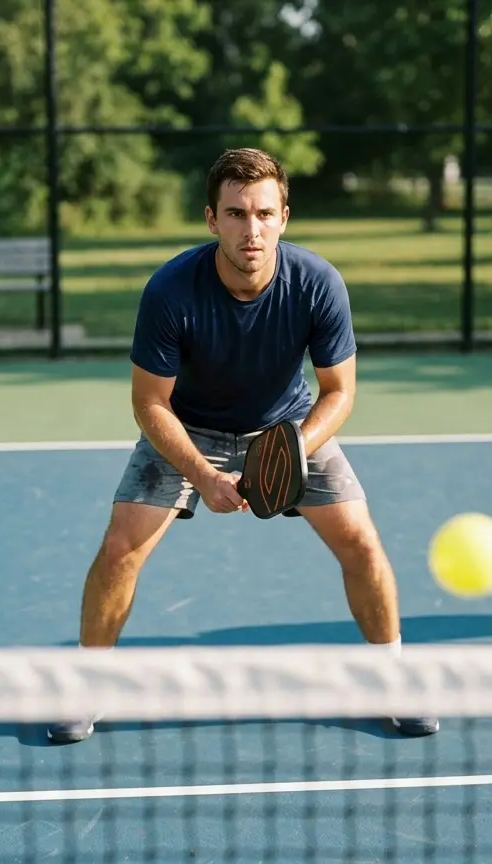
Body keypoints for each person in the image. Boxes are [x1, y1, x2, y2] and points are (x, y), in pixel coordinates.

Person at [48, 147, 439, 745]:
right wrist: (203, 475)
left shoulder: (318, 283)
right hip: (189, 428)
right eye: (235, 214)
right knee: (121, 546)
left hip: (287, 424)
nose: (250, 229)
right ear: (211, 219)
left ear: (284, 216)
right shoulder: (171, 290)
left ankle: (392, 676)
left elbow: (339, 393)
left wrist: (287, 451)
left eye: (263, 213)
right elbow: (150, 402)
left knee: (361, 540)